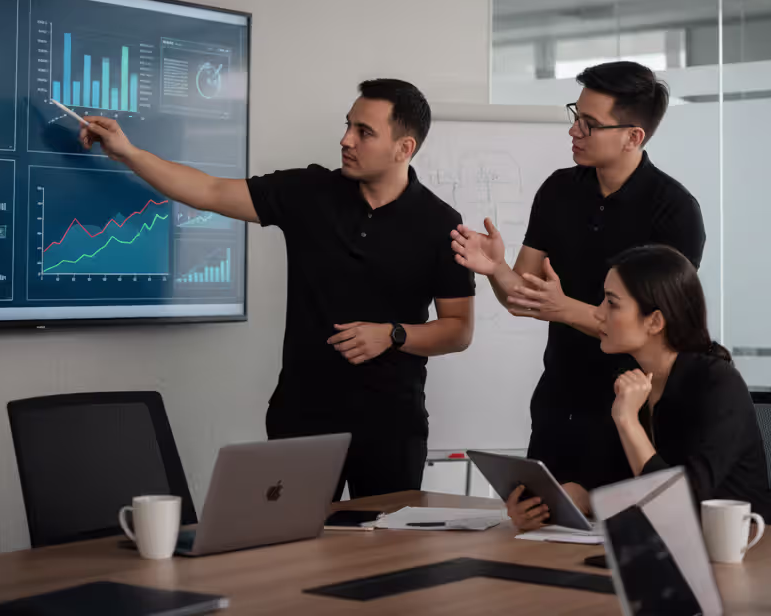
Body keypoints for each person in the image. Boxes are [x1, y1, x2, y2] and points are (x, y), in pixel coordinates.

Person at [79, 79, 475, 499]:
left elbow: (458, 329)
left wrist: (392, 334)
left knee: (386, 556)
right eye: (348, 125)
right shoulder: (309, 191)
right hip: (301, 416)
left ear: (404, 148)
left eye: (364, 132)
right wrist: (130, 153)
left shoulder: (440, 223)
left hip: (391, 424)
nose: (346, 140)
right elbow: (210, 192)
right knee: (290, 552)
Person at [452, 61, 705, 493]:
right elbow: (523, 299)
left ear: (633, 136)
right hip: (557, 401)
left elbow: (656, 331)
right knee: (536, 526)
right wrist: (496, 269)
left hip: (633, 409)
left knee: (618, 541)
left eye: (590, 124)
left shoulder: (675, 210)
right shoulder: (558, 190)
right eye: (576, 117)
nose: (574, 132)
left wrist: (565, 309)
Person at [507, 245, 771, 530]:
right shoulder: (628, 378)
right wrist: (565, 502)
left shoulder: (718, 385)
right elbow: (617, 485)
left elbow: (681, 503)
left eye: (612, 303)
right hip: (671, 548)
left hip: (748, 549)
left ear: (655, 321)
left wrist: (627, 421)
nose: (598, 314)